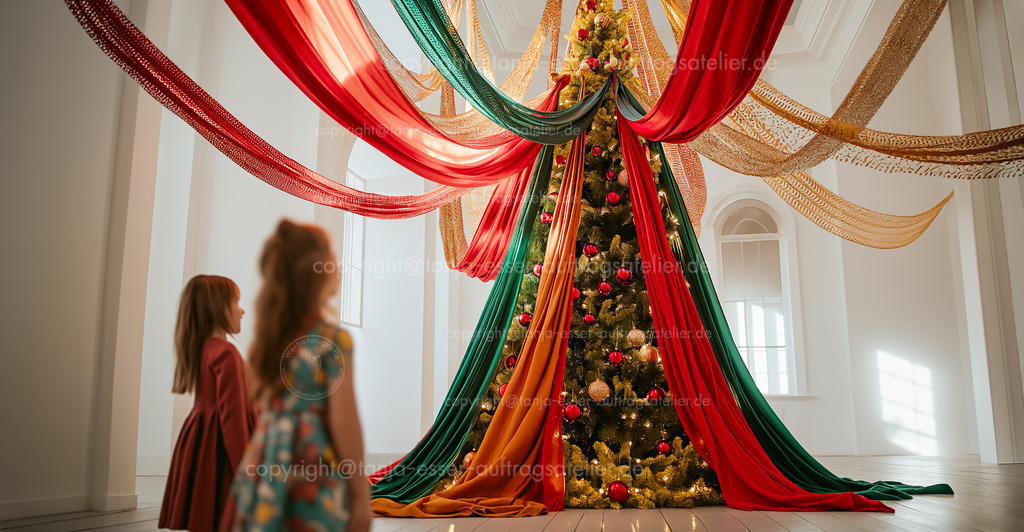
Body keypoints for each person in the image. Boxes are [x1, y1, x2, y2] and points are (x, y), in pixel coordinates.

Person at [221, 220, 371, 532]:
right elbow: (345, 423)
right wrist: (360, 495)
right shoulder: (333, 342)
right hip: (312, 465)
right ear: (318, 272)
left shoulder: (267, 340)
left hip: (264, 463)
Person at [159, 275, 258, 532]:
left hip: (201, 444)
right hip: (224, 451)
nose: (242, 309)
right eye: (236, 302)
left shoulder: (203, 349)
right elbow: (233, 419)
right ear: (217, 308)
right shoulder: (226, 353)